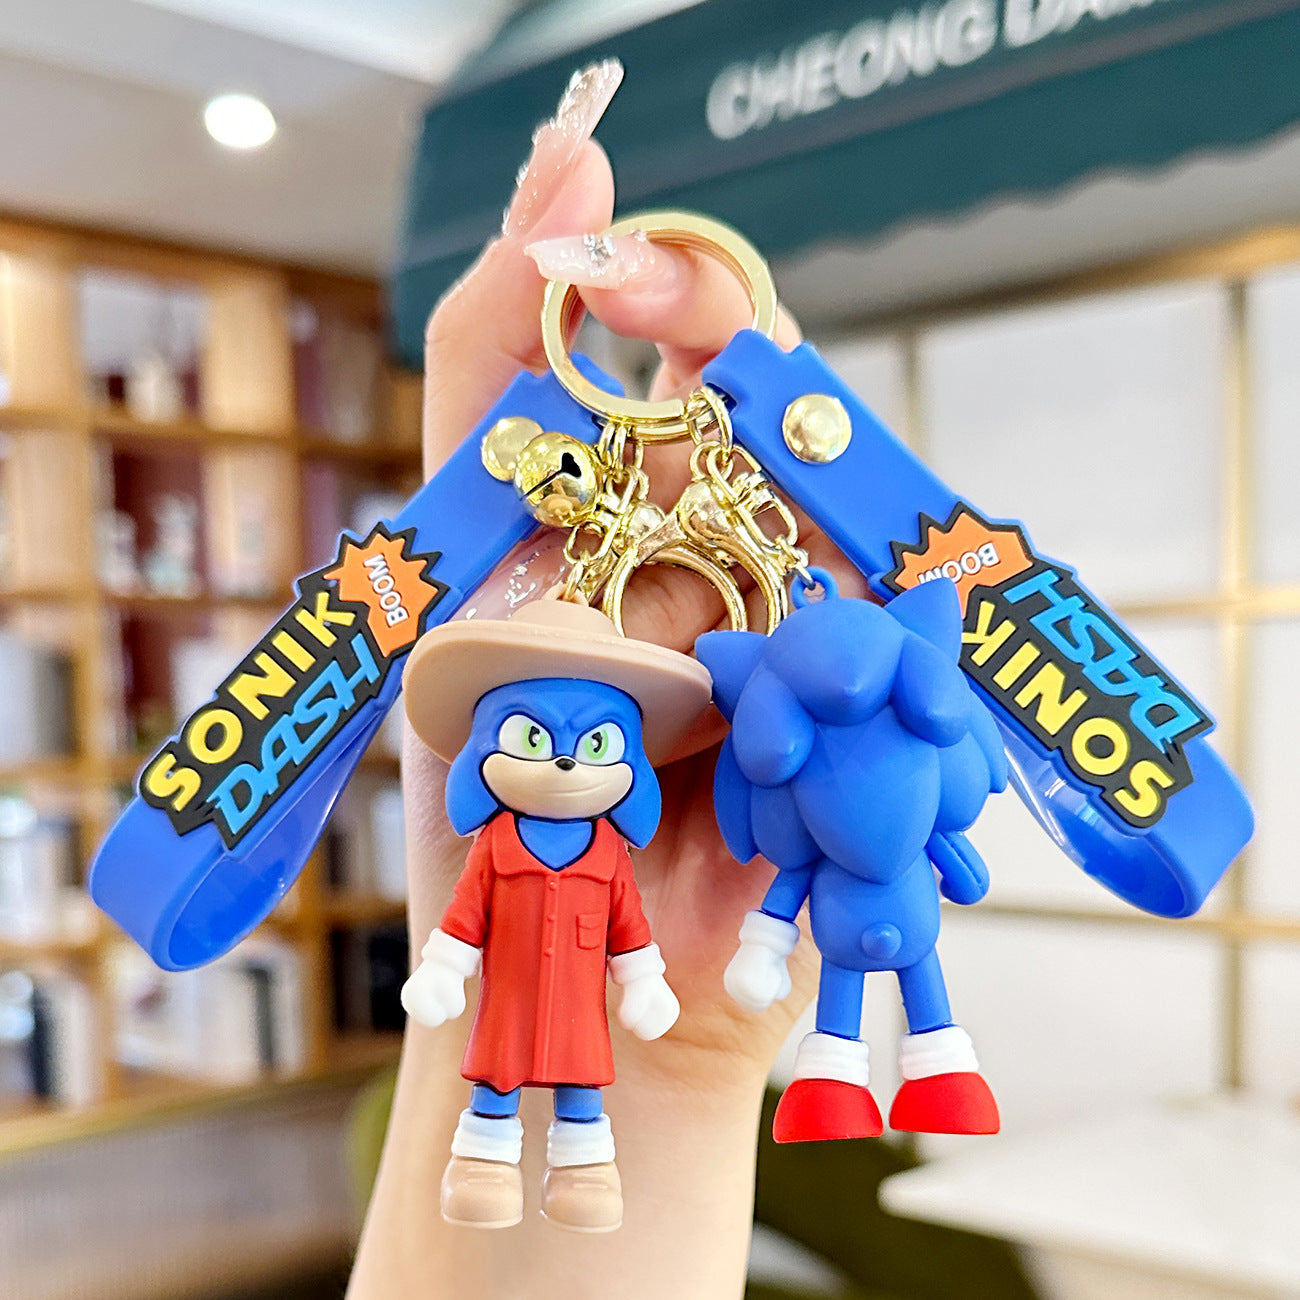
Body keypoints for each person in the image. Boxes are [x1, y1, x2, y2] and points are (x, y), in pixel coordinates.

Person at [347, 59, 868, 1298]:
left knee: (578, 1092)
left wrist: (661, 1031)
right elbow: (467, 925)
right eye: (534, 740)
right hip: (503, 1020)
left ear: (631, 771)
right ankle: (496, 1151)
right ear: (479, 759)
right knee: (505, 1083)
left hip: (588, 1031)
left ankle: (577, 1157)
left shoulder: (600, 854)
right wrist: (447, 969)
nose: (564, 764)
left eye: (589, 748)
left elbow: (631, 941)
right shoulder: (495, 848)